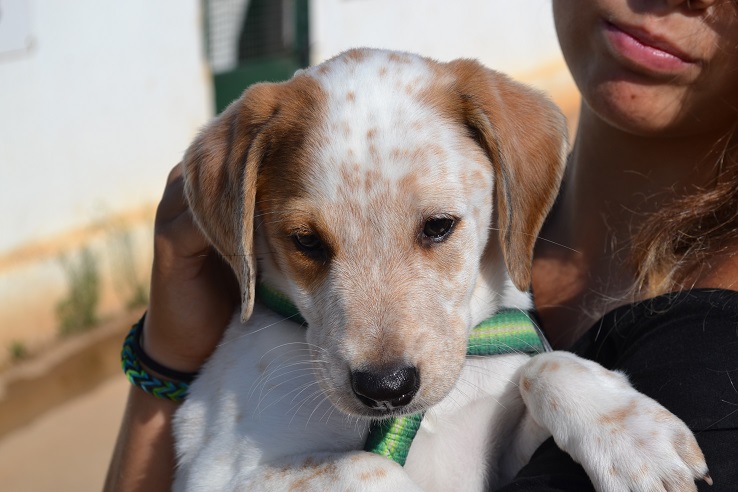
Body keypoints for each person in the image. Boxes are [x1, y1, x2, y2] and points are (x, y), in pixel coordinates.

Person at [104, 0, 738, 490]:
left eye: (436, 229)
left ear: (507, 181)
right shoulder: (272, 366)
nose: (382, 362)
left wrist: (567, 386)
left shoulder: (705, 359)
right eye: (309, 242)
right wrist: (169, 356)